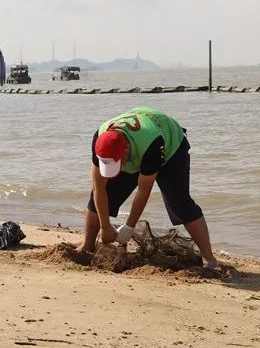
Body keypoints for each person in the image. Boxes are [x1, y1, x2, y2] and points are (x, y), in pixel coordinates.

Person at [76, 106, 218, 269]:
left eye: (118, 163)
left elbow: (144, 190)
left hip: (170, 147)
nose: (119, 169)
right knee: (106, 194)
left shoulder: (151, 144)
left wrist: (129, 226)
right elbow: (98, 189)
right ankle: (87, 246)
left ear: (126, 150)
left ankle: (210, 259)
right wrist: (105, 226)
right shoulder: (99, 139)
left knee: (180, 203)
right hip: (138, 142)